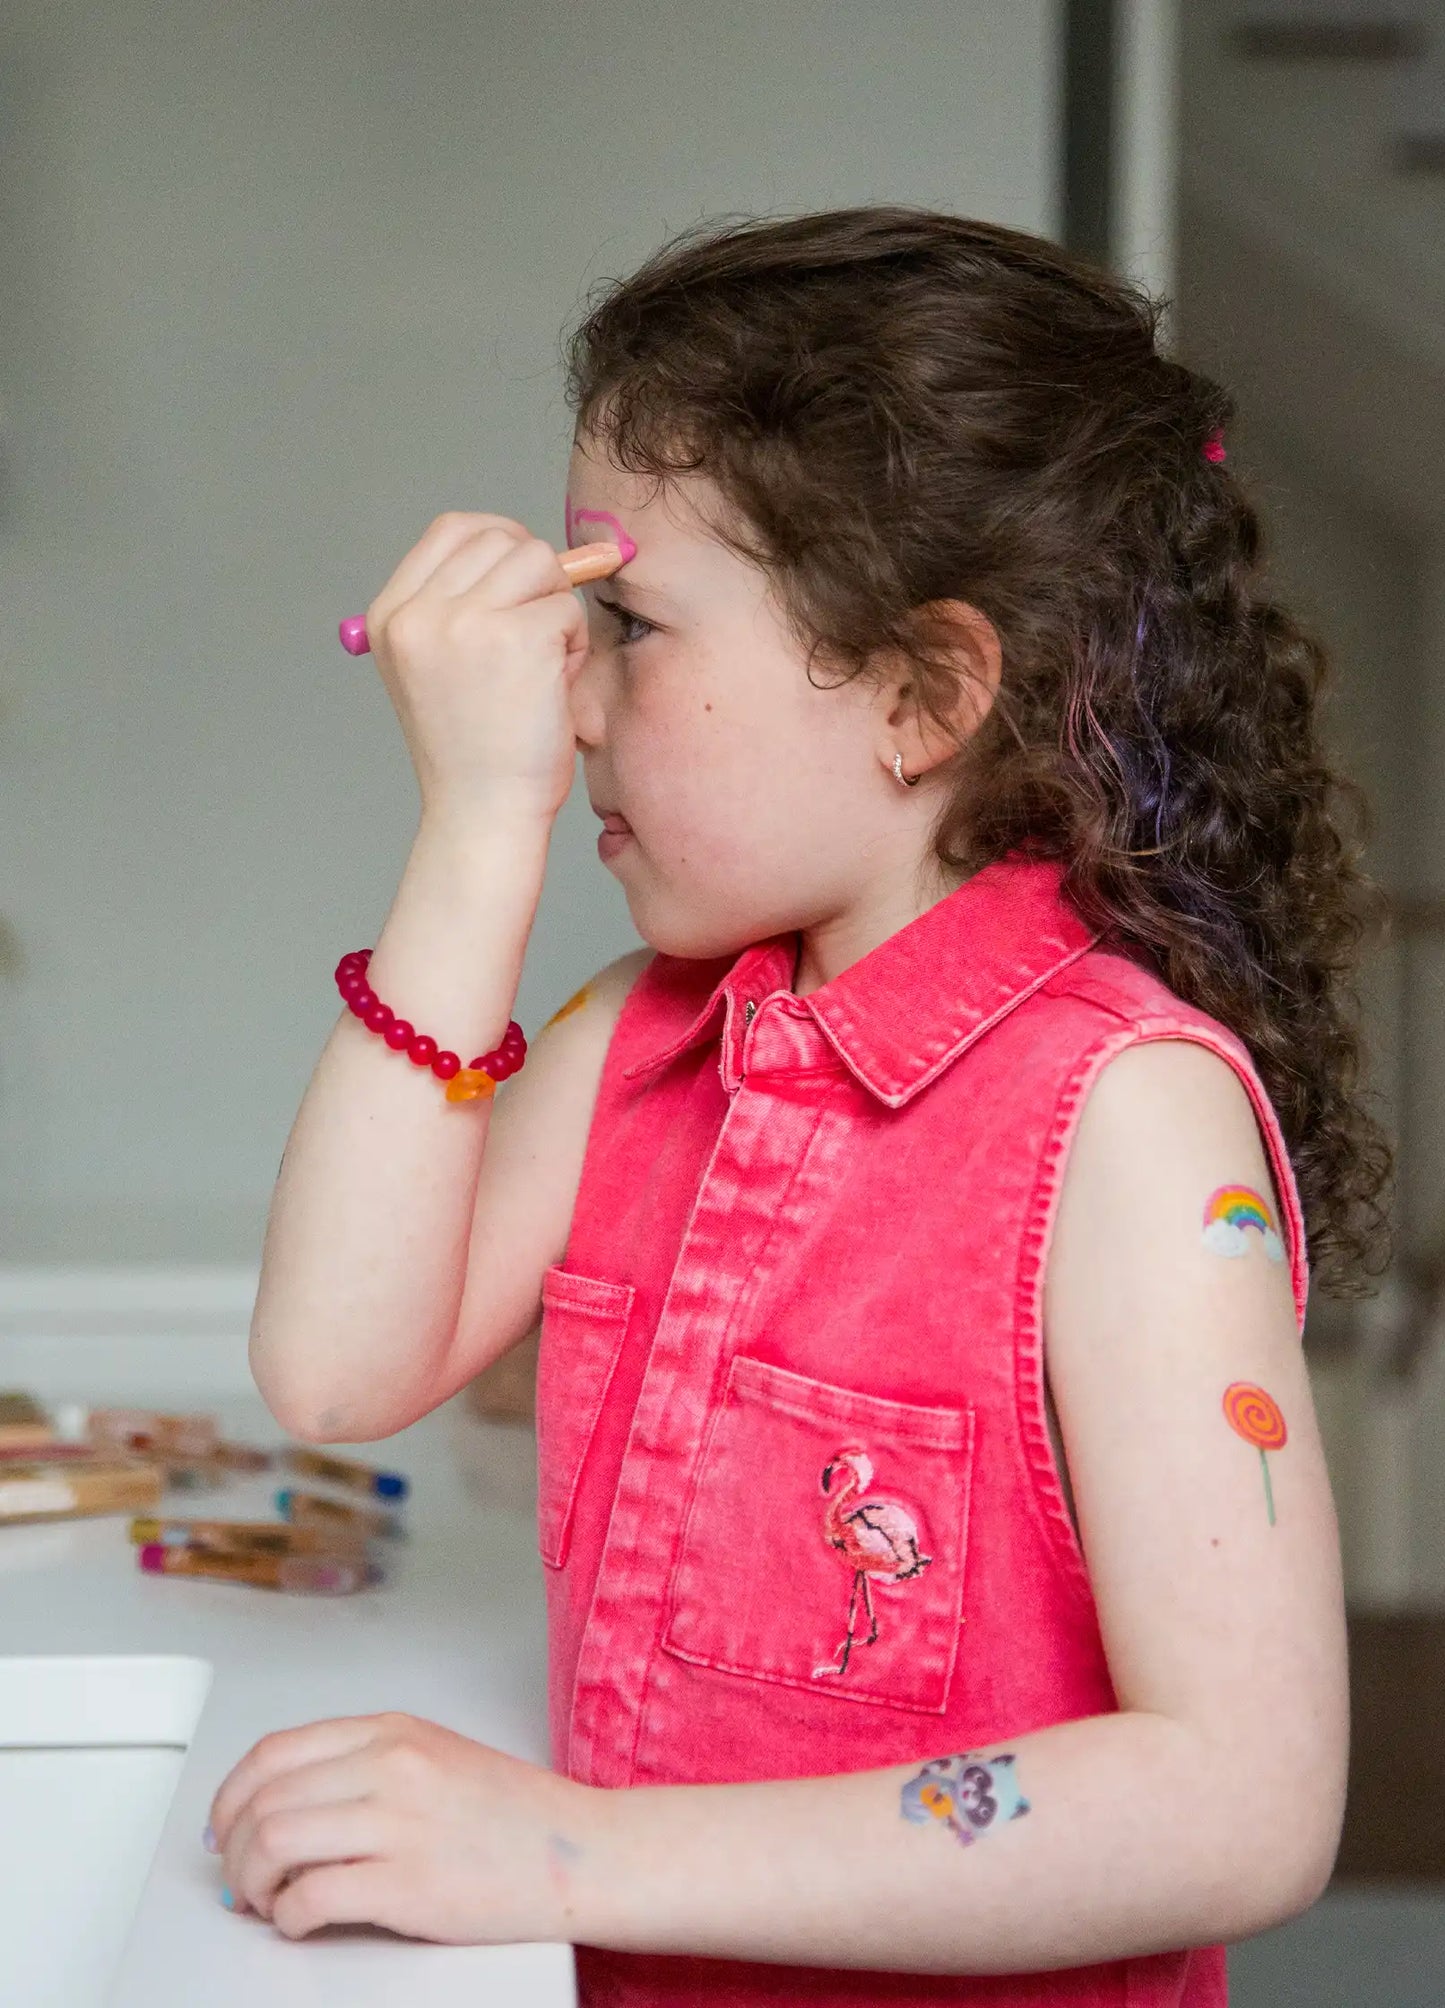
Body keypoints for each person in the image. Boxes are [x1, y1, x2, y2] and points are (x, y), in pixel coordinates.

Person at [206, 206, 1390, 2005]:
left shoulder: (1125, 1121)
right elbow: (333, 1368)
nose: (572, 705)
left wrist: (553, 1851)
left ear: (920, 692)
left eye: (625, 621)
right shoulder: (648, 1037)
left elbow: (1241, 1802)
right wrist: (471, 831)